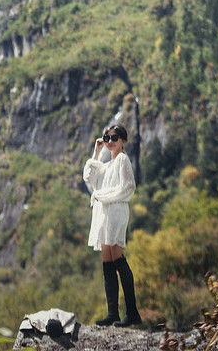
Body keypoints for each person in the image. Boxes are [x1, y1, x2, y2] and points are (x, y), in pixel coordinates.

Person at [83, 124, 141, 327]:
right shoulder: (107, 164)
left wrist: (104, 197)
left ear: (123, 139)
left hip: (115, 212)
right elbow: (89, 176)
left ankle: (132, 312)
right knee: (107, 260)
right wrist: (97, 151)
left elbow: (128, 187)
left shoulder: (123, 159)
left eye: (114, 138)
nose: (110, 142)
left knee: (117, 258)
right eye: (106, 138)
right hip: (104, 214)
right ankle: (112, 313)